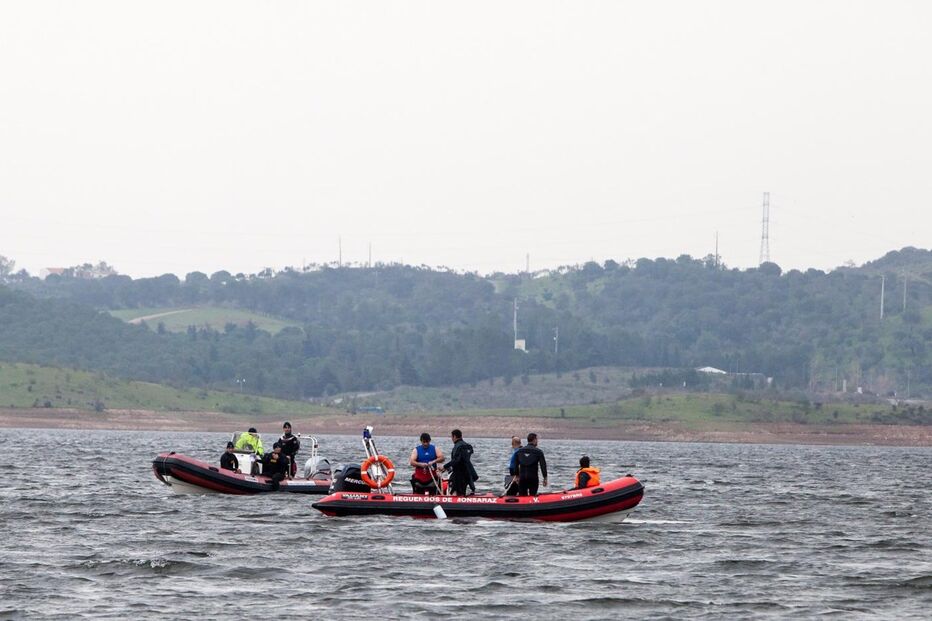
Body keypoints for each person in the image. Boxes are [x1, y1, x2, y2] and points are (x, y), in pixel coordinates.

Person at [439, 429, 474, 496]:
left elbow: (456, 460)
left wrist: (444, 466)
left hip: (458, 474)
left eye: (452, 437)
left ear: (454, 436)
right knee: (462, 491)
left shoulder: (458, 446)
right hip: (467, 473)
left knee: (455, 492)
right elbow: (464, 459)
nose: (452, 439)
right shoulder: (468, 446)